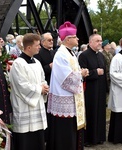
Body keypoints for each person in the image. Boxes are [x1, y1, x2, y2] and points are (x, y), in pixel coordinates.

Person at [46, 21, 89, 150]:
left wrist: (81, 73)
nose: (78, 39)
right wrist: (80, 74)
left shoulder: (70, 52)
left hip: (72, 98)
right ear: (68, 39)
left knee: (72, 129)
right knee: (65, 131)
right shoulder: (61, 54)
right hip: (65, 99)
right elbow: (66, 78)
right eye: (75, 37)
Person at [9, 33, 49, 150]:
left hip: (37, 105)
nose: (39, 47)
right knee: (25, 141)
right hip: (24, 106)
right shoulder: (18, 64)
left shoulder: (37, 62)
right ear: (29, 47)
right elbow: (22, 85)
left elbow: (42, 79)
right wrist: (39, 89)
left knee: (38, 138)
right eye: (37, 45)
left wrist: (45, 87)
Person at [78, 34, 107, 146]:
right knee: (91, 113)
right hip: (90, 90)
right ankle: (89, 139)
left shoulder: (101, 55)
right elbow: (82, 73)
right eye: (97, 41)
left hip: (100, 88)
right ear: (90, 43)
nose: (100, 43)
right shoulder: (83, 56)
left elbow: (104, 72)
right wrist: (96, 72)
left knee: (100, 113)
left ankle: (99, 137)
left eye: (101, 41)